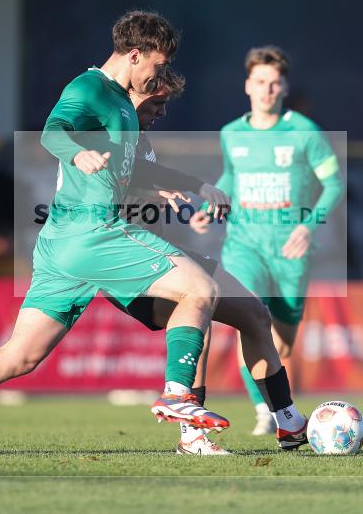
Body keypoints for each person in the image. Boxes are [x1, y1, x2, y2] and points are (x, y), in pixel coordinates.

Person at [0, 12, 311, 456]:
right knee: (199, 290)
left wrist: (192, 185)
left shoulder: (123, 105)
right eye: (156, 65)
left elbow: (134, 166)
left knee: (20, 356)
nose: (158, 77)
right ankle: (179, 401)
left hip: (67, 245)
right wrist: (78, 153)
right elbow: (53, 132)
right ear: (134, 55)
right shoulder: (90, 88)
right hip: (94, 233)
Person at [120, 66, 310, 455]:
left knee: (255, 316)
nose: (163, 112)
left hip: (154, 251)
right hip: (121, 260)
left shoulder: (143, 139)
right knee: (198, 303)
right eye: (157, 103)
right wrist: (179, 187)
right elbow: (105, 189)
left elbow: (134, 187)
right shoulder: (117, 135)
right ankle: (191, 434)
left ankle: (288, 423)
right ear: (135, 95)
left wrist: (156, 195)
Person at [190, 46, 344, 435]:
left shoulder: (305, 132)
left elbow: (334, 184)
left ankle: (272, 401)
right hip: (244, 246)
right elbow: (233, 177)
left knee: (284, 342)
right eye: (260, 82)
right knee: (251, 321)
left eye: (275, 83)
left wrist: (309, 225)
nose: (267, 90)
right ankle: (266, 408)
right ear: (248, 85)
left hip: (292, 251)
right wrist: (213, 205)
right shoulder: (232, 133)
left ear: (285, 87)